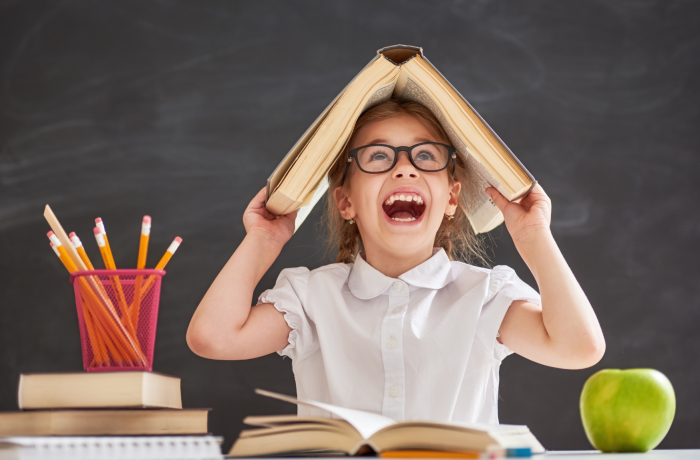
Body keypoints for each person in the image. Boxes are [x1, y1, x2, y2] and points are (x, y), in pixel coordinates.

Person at [187, 99, 605, 424]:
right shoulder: (311, 298)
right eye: (378, 157)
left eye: (425, 156)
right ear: (346, 201)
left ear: (452, 198)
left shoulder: (484, 297)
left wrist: (534, 238)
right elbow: (213, 338)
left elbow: (578, 348)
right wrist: (262, 240)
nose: (404, 169)